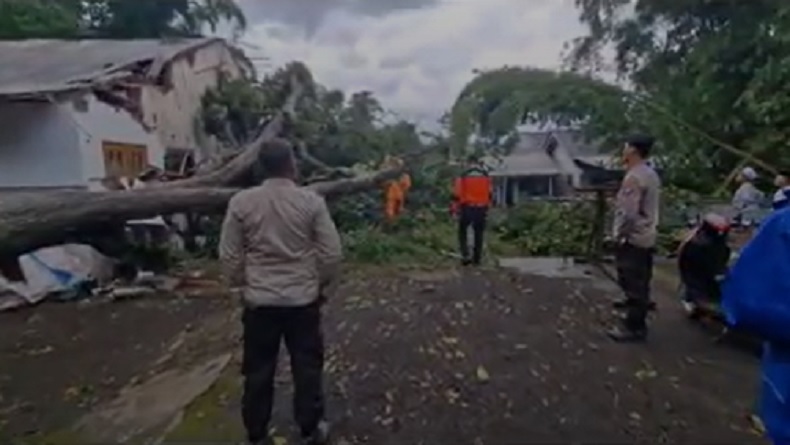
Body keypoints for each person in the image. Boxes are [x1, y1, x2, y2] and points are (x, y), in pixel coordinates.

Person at [219, 139, 342, 445]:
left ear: (260, 168)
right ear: (292, 165)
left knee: (258, 370)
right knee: (307, 366)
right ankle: (311, 429)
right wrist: (320, 285)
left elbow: (229, 255)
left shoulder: (241, 203)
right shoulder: (311, 201)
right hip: (302, 300)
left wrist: (241, 286)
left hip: (260, 301)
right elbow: (331, 254)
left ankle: (257, 434)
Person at [607, 134, 661, 342]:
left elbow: (628, 214)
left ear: (633, 150)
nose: (623, 151)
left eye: (625, 147)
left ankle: (634, 327)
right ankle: (636, 319)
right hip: (647, 235)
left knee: (631, 281)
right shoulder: (651, 174)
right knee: (642, 279)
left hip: (633, 238)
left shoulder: (634, 177)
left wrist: (618, 235)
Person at [451, 156, 491, 266]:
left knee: (462, 231)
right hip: (482, 208)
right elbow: (490, 193)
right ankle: (477, 259)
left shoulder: (464, 176)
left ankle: (465, 256)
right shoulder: (485, 176)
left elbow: (457, 194)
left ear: (469, 163)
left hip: (468, 207)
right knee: (479, 234)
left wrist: (454, 209)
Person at [381, 155, 412, 223]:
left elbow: (406, 186)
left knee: (397, 210)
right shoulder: (386, 173)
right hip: (391, 196)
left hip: (398, 195)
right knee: (390, 211)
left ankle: (395, 222)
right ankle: (391, 222)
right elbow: (383, 184)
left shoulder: (403, 175)